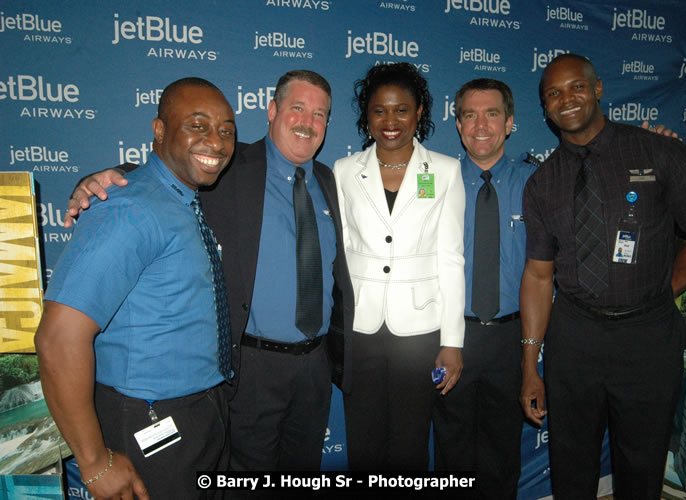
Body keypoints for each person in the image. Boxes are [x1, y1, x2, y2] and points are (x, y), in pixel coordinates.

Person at [64, 70, 355, 479]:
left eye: (320, 114)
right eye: (297, 108)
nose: (308, 122)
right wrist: (99, 180)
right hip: (250, 368)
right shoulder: (230, 164)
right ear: (271, 111)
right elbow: (168, 171)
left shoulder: (330, 181)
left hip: (314, 368)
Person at [519, 53, 686, 499]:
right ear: (545, 108)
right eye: (553, 93)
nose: (566, 99)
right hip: (575, 337)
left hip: (648, 338)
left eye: (576, 86)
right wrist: (529, 364)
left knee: (642, 462)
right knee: (570, 462)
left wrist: (659, 293)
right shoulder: (542, 183)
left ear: (597, 90)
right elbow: (539, 278)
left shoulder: (658, 151)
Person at [35, 77, 236, 500]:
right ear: (159, 130)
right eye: (197, 125)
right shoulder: (127, 209)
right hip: (150, 423)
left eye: (225, 130)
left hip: (202, 411)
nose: (215, 142)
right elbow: (58, 338)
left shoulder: (182, 198)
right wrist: (93, 463)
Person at [333, 62, 465, 471]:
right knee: (364, 443)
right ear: (366, 115)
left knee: (409, 445)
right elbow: (342, 251)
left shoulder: (444, 171)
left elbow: (451, 257)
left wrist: (453, 340)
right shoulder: (343, 171)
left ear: (420, 112)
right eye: (379, 110)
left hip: (421, 330)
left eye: (401, 110)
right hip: (361, 329)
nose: (390, 121)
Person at [430, 78, 536, 499]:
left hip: (510, 339)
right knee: (451, 448)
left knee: (502, 451)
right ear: (457, 125)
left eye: (491, 114)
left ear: (509, 122)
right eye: (469, 115)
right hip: (450, 336)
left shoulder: (536, 185)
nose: (480, 125)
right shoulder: (435, 182)